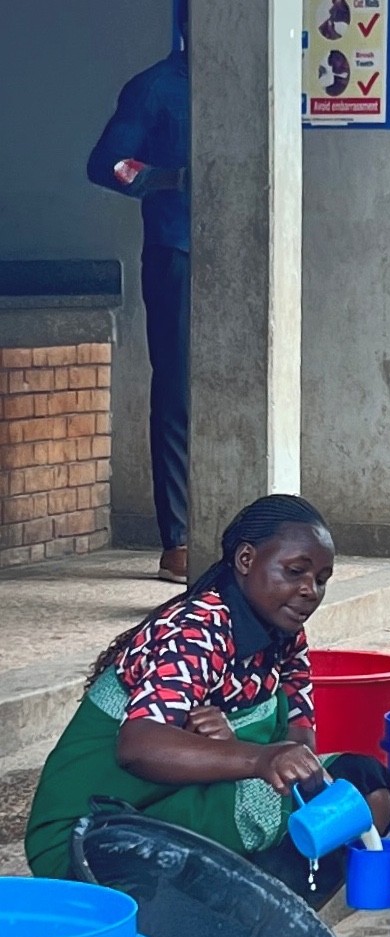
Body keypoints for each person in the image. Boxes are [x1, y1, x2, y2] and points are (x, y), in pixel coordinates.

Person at [26, 496, 390, 907]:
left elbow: (300, 751)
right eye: (295, 572)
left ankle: (268, 923)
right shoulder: (197, 631)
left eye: (322, 578)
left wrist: (234, 745)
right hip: (91, 835)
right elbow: (138, 746)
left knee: (363, 789)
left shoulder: (285, 637)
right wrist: (253, 759)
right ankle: (248, 926)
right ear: (245, 559)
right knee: (272, 807)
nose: (310, 590)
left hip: (175, 806)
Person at [87, 0, 191, 584]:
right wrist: (165, 178)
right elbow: (107, 163)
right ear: (187, 19)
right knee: (176, 389)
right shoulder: (154, 88)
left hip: (243, 260)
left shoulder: (250, 85)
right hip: (176, 252)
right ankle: (176, 538)